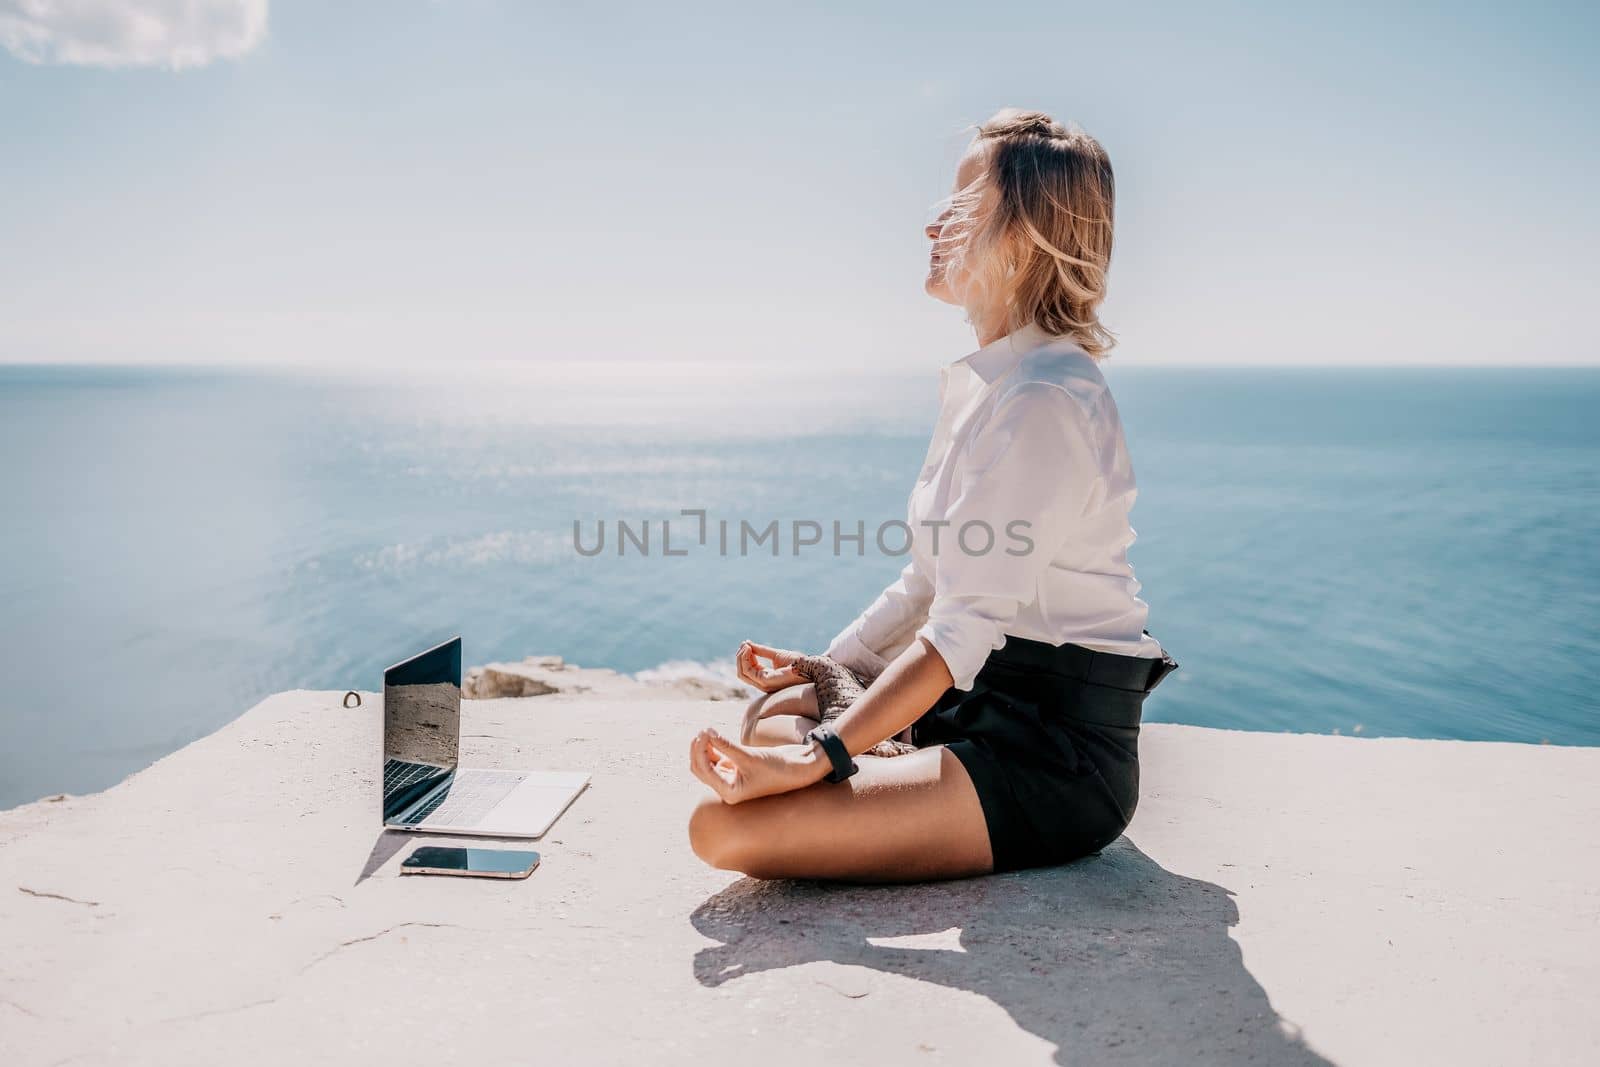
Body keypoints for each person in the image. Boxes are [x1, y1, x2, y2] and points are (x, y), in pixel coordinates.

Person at [687, 108, 1179, 882]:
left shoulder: (1044, 400)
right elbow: (927, 582)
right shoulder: (993, 384)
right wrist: (827, 663)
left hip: (1049, 755)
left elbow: (957, 633)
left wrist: (822, 758)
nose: (932, 226)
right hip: (973, 702)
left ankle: (892, 772)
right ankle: (884, 762)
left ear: (1022, 236)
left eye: (960, 206)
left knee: (723, 828)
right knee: (774, 716)